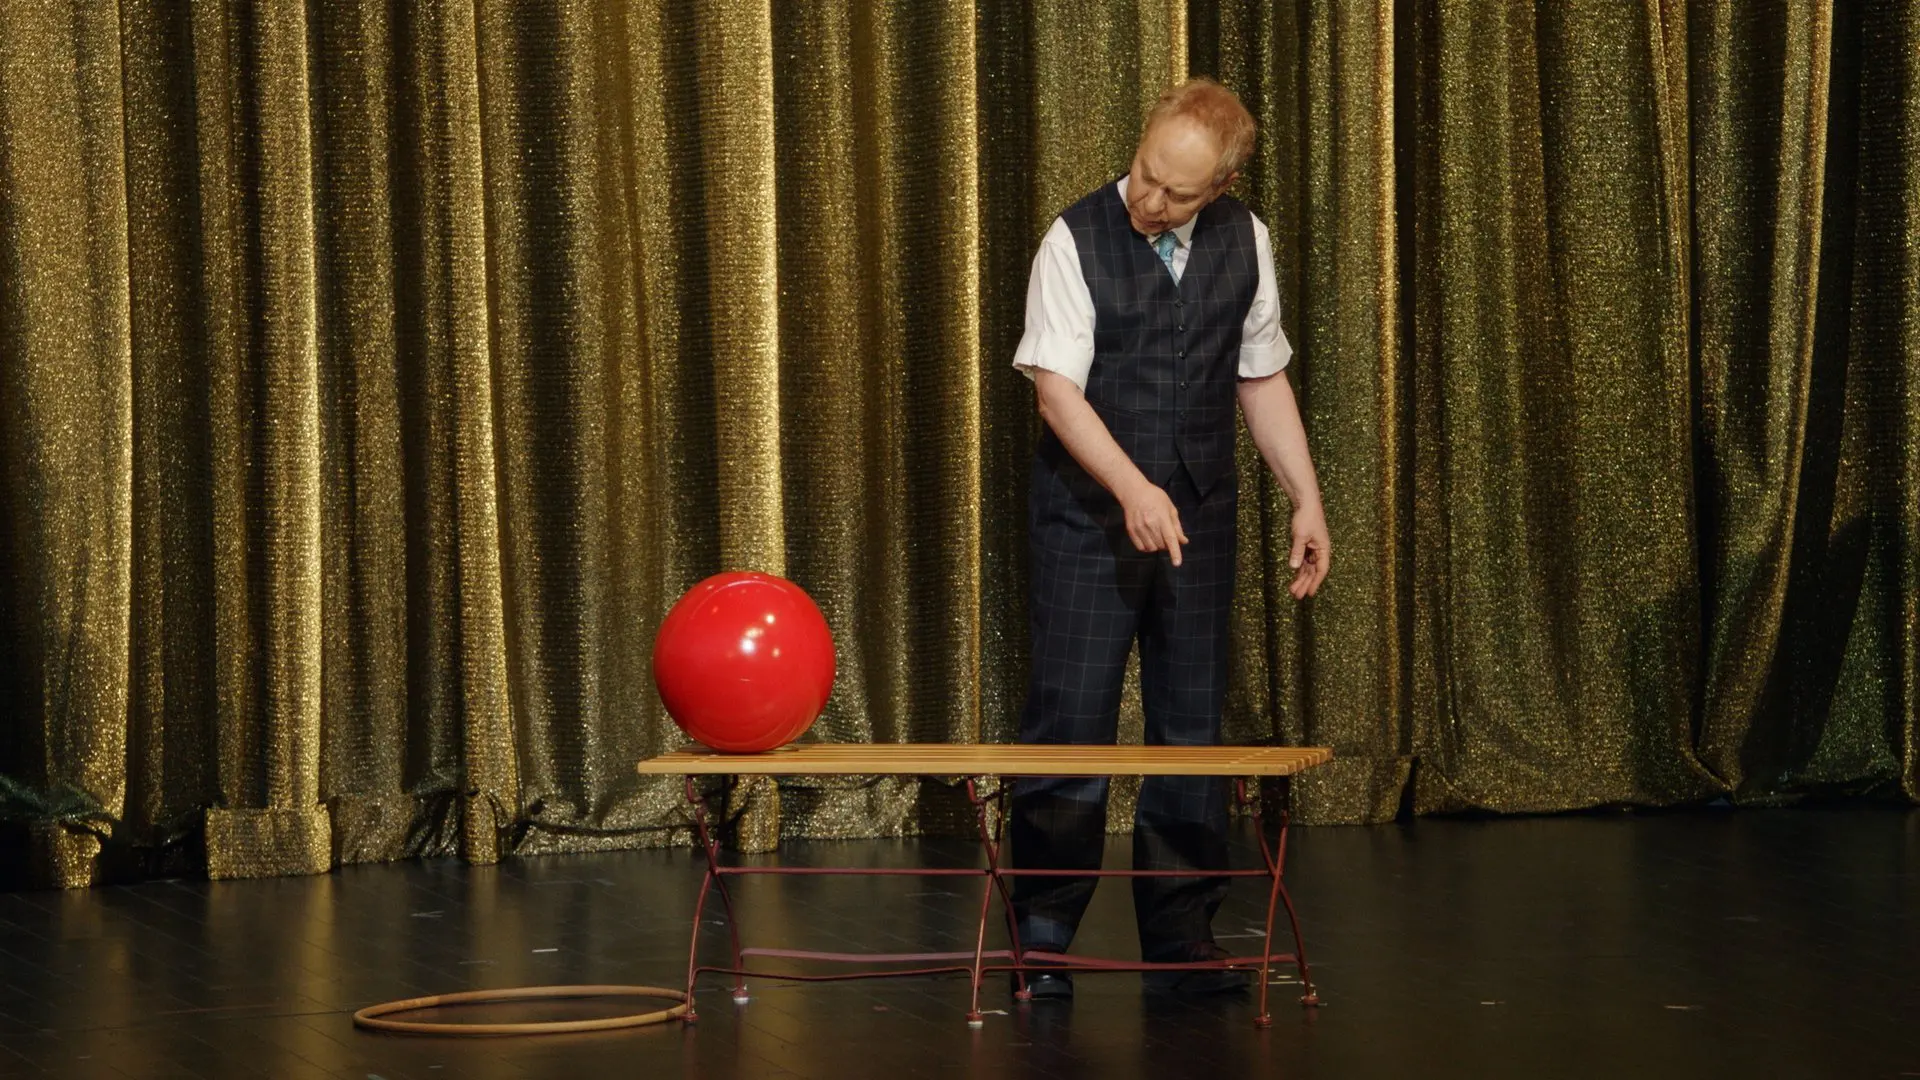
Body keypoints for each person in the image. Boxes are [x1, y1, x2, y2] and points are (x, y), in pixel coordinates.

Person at [1008, 77, 1330, 1001]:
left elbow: (1260, 379)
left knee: (1190, 731)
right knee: (1071, 727)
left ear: (1222, 185)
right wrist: (1132, 488)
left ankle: (1182, 938)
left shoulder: (1246, 240)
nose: (1149, 200)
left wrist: (1306, 499)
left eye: (1177, 193)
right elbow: (1057, 392)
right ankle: (1042, 940)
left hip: (1202, 514)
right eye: (1145, 173)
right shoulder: (1074, 239)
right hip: (1088, 522)